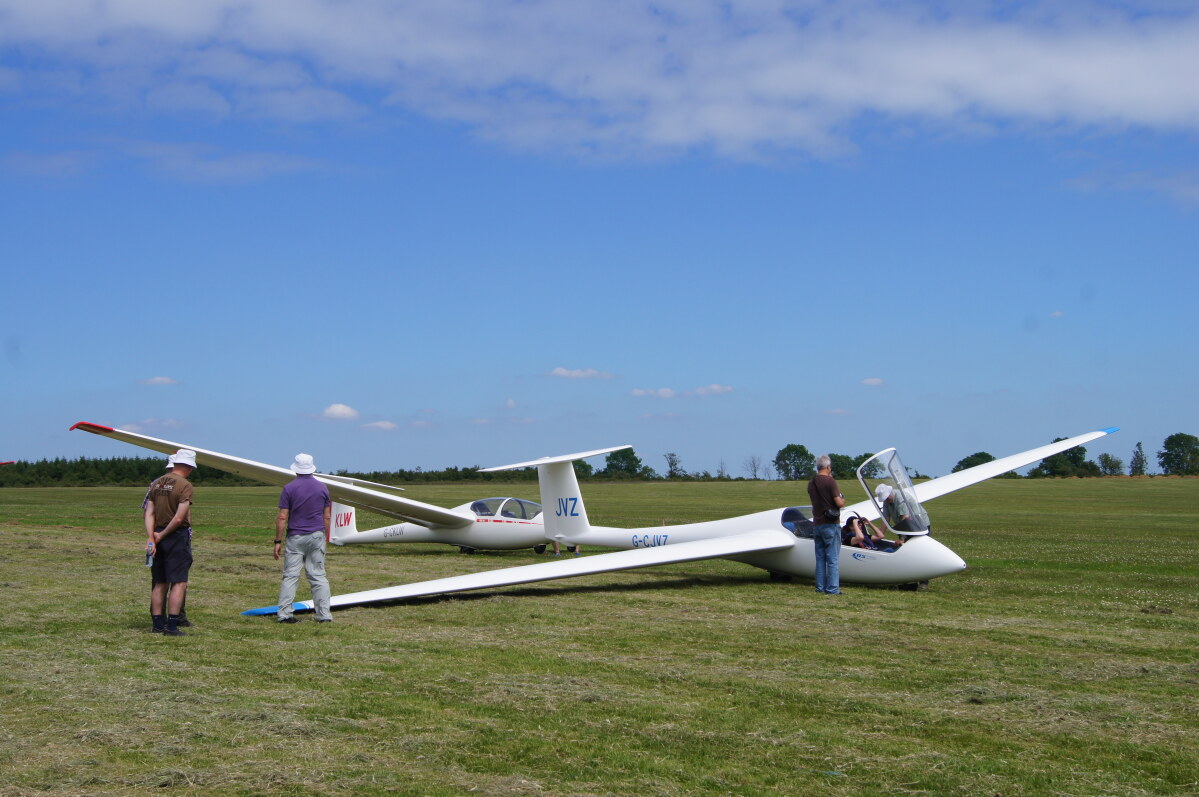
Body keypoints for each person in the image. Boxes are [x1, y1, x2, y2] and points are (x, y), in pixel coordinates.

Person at [145, 448, 198, 635]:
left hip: (157, 532)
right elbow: (178, 518)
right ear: (190, 467)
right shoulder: (185, 485)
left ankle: (157, 624)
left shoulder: (157, 483)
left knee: (159, 581)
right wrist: (164, 534)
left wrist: (153, 536)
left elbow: (149, 512)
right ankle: (173, 625)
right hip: (175, 535)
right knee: (179, 582)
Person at [274, 453, 333, 623]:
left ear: (296, 468)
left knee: (291, 576)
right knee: (318, 576)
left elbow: (282, 517)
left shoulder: (289, 488)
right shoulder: (323, 488)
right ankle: (324, 615)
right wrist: (326, 537)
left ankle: (285, 614)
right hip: (317, 535)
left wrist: (278, 540)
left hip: (296, 536)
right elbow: (327, 516)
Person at [807, 455, 845, 595]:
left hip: (817, 524)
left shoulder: (811, 483)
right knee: (833, 559)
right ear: (828, 467)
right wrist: (843, 499)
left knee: (820, 558)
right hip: (830, 524)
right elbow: (839, 502)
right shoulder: (830, 481)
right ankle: (833, 589)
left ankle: (820, 587)